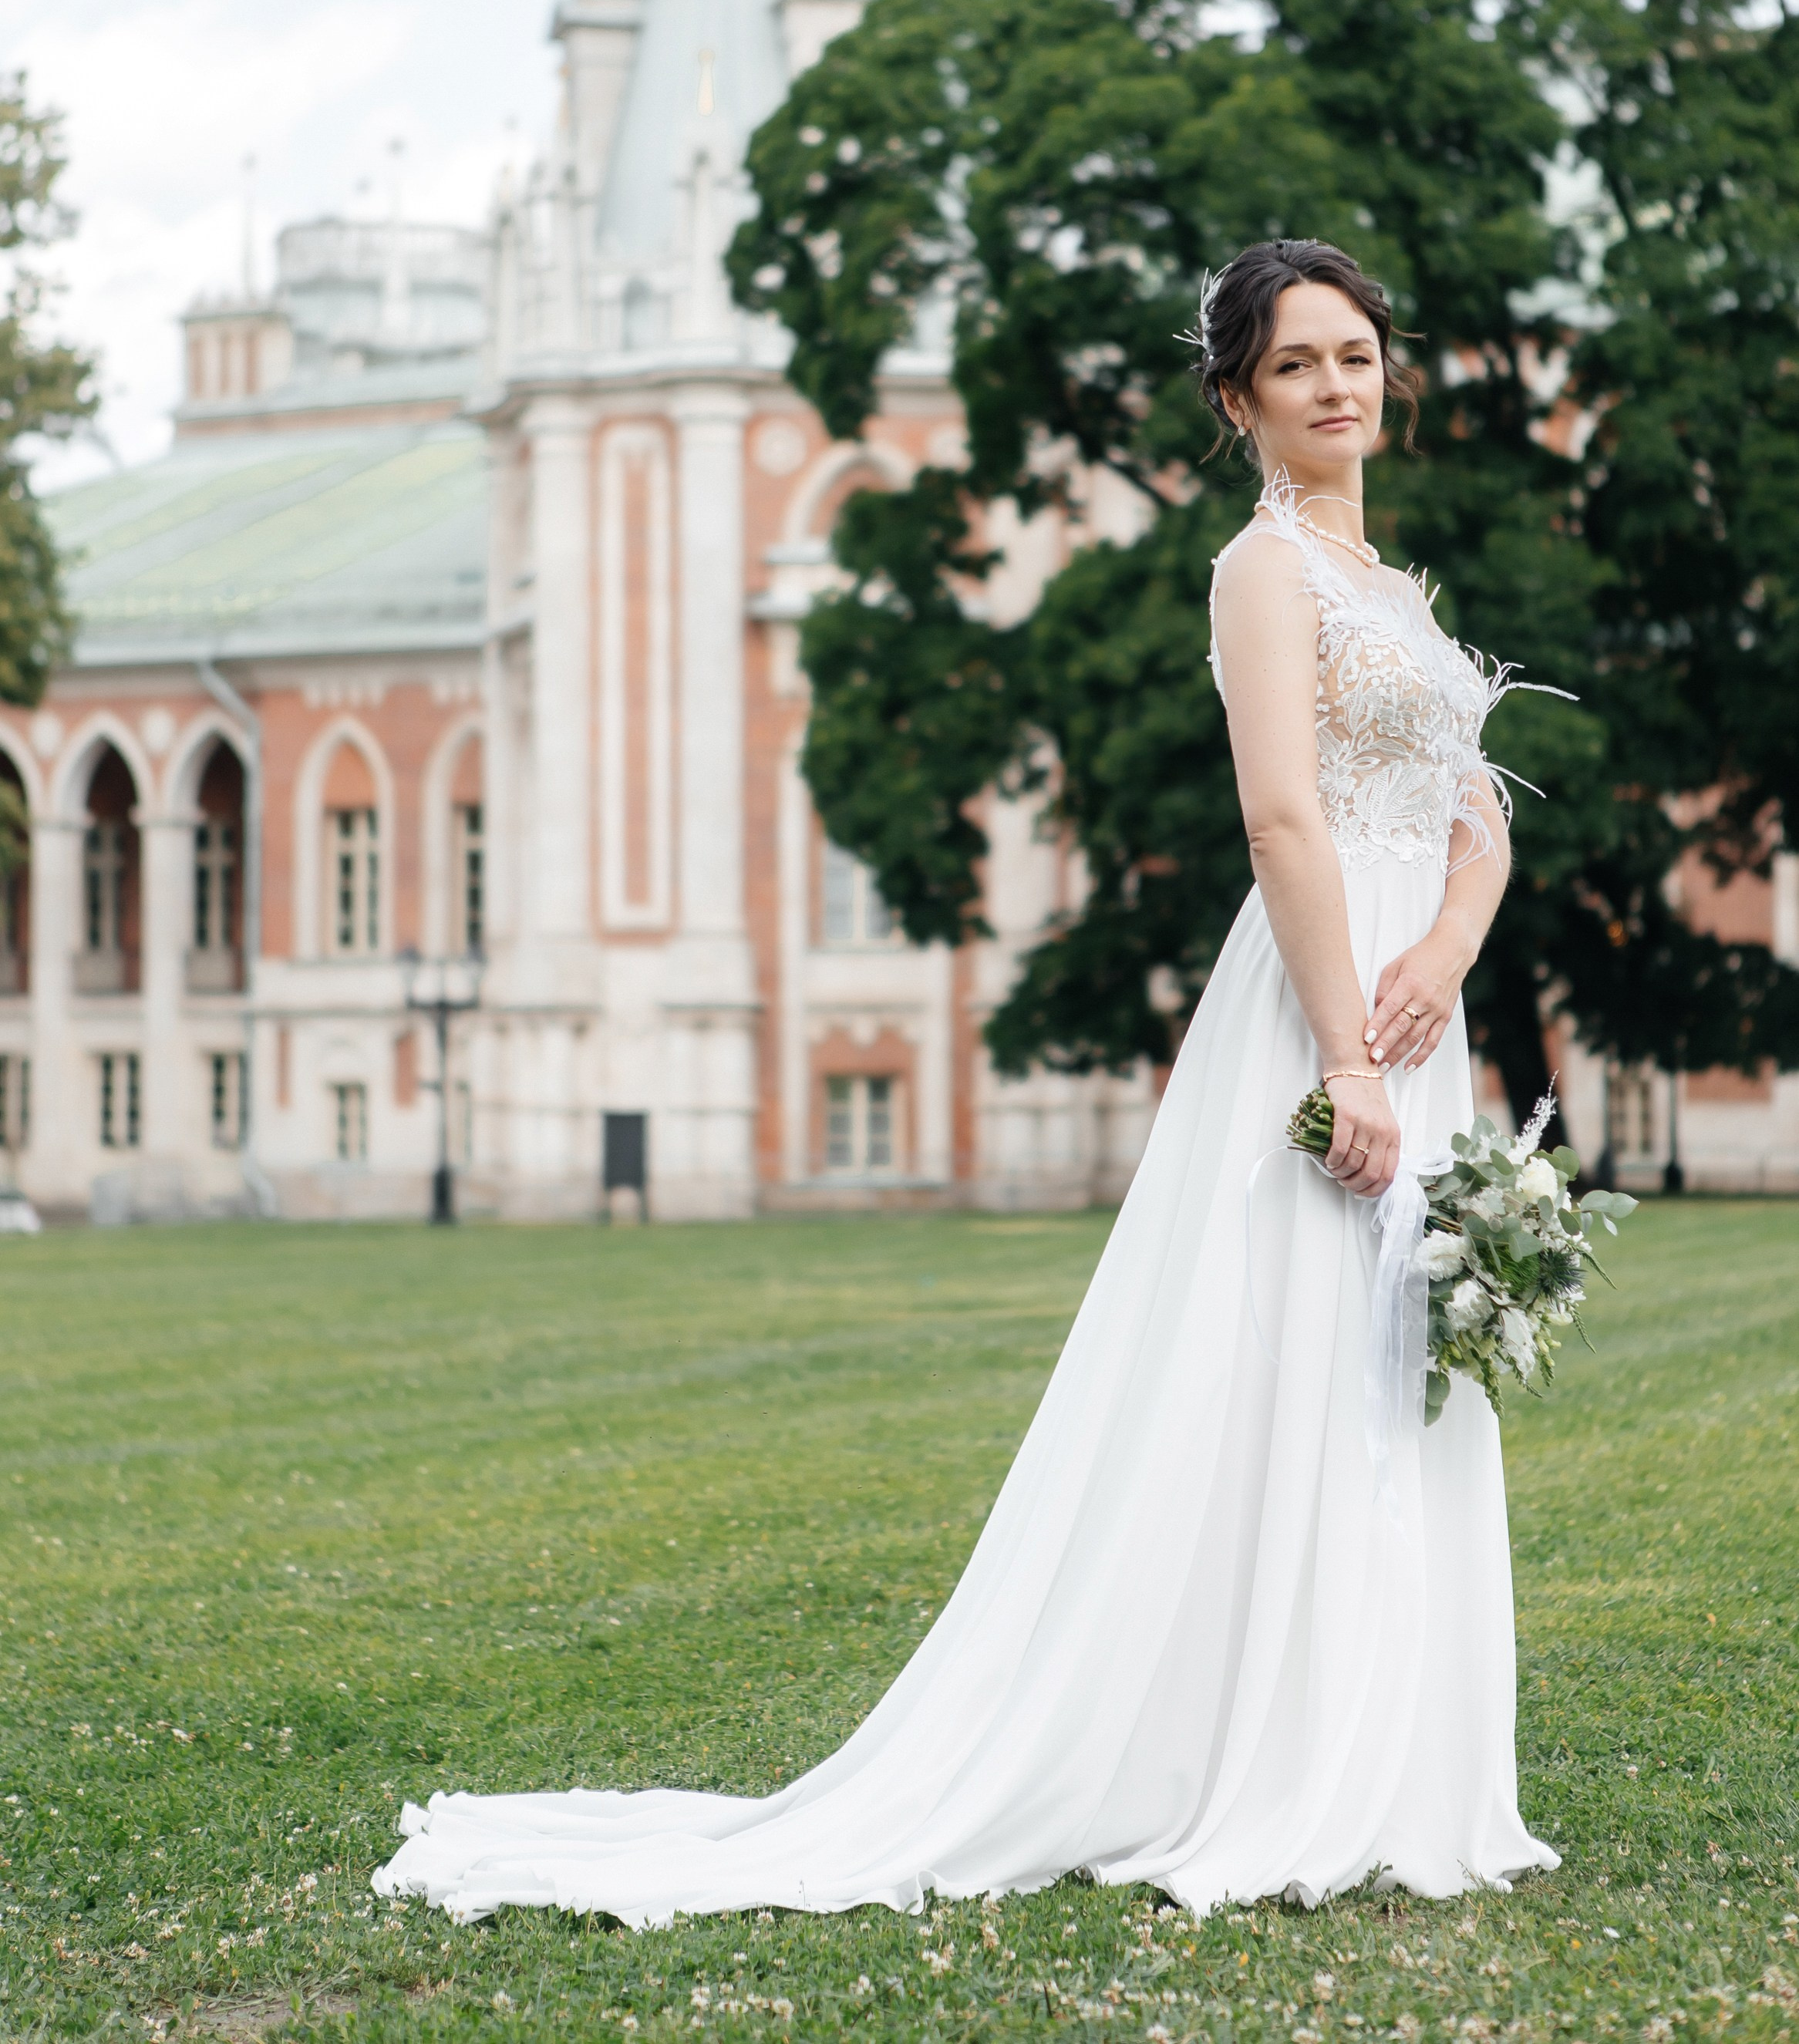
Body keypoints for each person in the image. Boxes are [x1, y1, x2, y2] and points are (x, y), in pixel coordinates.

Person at [376, 236, 1559, 1928]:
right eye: (1298, 363)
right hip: (1319, 1003)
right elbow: (1284, 821)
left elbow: (1482, 811)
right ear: (1241, 400)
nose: (1337, 386)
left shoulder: (1398, 593)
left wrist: (1444, 952)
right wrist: (1348, 1053)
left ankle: (1386, 1748)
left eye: (1357, 355)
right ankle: (1260, 1753)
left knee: (1390, 1359)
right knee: (1288, 1341)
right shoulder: (1264, 573)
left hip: (1409, 1000)